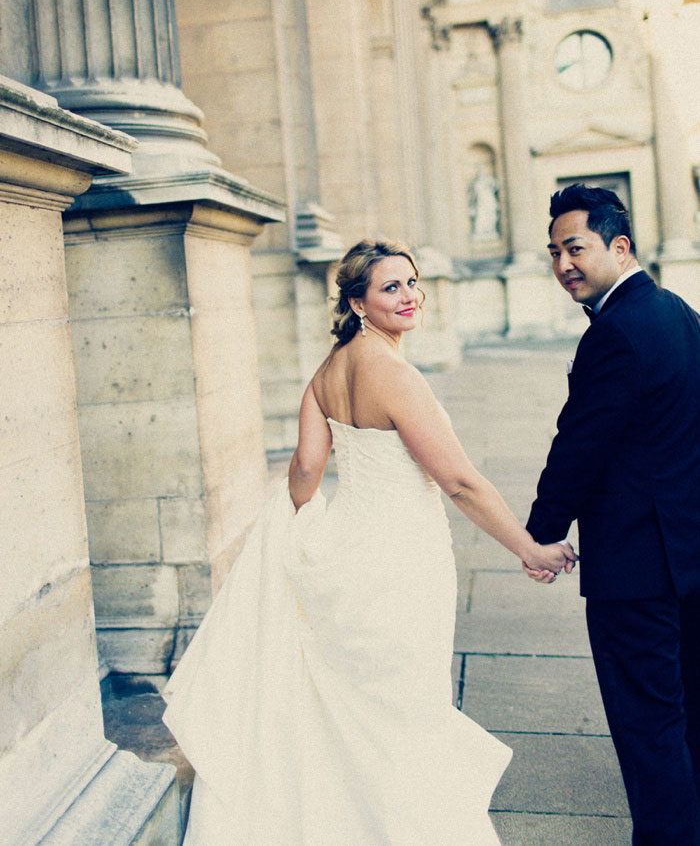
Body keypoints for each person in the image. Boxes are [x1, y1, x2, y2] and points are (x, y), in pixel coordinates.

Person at [163, 238, 574, 846]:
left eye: (412, 283)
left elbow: (304, 470)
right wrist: (529, 548)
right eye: (390, 287)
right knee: (401, 707)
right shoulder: (394, 373)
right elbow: (458, 480)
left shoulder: (328, 372)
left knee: (355, 703)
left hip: (348, 547)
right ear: (357, 302)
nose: (409, 296)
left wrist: (305, 534)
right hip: (400, 559)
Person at [524, 183, 700, 846]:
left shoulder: (616, 332)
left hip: (637, 568)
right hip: (686, 554)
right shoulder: (677, 312)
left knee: (647, 726)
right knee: (686, 715)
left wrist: (539, 532)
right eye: (554, 252)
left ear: (617, 246)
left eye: (575, 247)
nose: (564, 263)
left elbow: (581, 444)